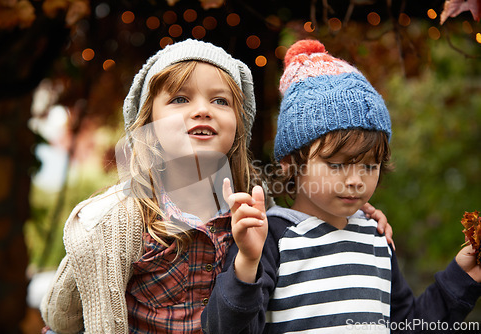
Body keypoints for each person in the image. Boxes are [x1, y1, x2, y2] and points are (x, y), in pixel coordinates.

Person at [39, 39, 391, 334]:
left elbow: (304, 217)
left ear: (238, 127)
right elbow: (69, 316)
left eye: (220, 101)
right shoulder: (118, 221)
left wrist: (357, 214)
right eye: (180, 99)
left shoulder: (251, 204)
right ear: (147, 124)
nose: (203, 110)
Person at [201, 39, 481, 333]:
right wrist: (246, 263)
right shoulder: (269, 238)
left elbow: (407, 325)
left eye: (369, 166)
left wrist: (462, 276)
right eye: (337, 164)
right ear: (289, 162)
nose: (356, 180)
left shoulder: (375, 238)